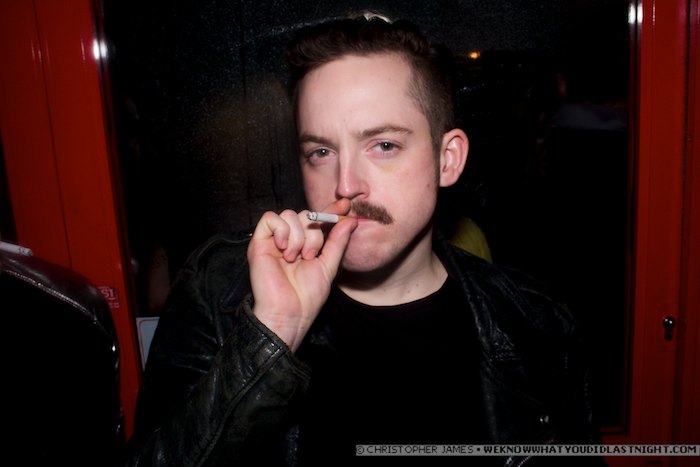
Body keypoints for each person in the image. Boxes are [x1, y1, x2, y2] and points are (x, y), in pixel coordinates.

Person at [125, 12, 603, 466]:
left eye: (384, 145)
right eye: (321, 151)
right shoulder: (222, 294)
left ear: (448, 159)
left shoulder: (534, 326)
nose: (346, 184)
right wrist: (269, 339)